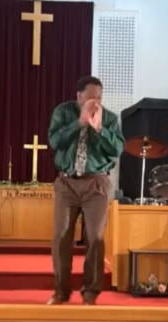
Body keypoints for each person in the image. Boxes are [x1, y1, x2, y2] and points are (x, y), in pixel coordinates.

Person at [46, 76, 125, 306]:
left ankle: (90, 292)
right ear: (79, 96)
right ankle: (61, 292)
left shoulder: (109, 118)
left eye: (99, 98)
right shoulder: (63, 112)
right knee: (61, 237)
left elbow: (117, 149)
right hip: (67, 183)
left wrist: (99, 128)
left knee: (95, 238)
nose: (95, 102)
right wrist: (79, 122)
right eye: (91, 97)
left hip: (96, 184)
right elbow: (55, 141)